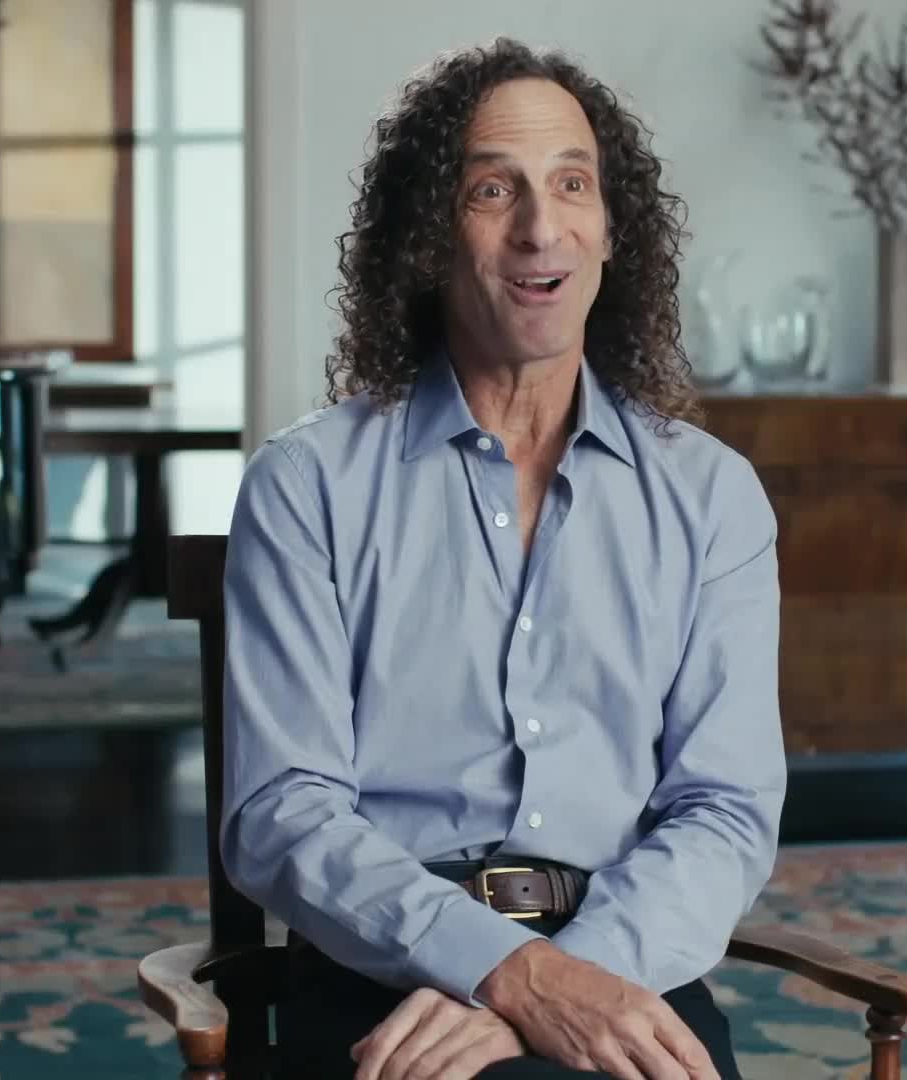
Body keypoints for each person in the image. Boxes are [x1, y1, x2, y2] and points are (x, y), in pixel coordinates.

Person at [218, 37, 785, 1080]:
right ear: (428, 237)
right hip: (382, 968)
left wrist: (570, 980)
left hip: (629, 962)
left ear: (612, 229)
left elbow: (726, 809)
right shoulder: (305, 486)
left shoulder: (714, 499)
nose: (540, 227)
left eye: (573, 184)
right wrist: (508, 975)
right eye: (493, 190)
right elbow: (281, 811)